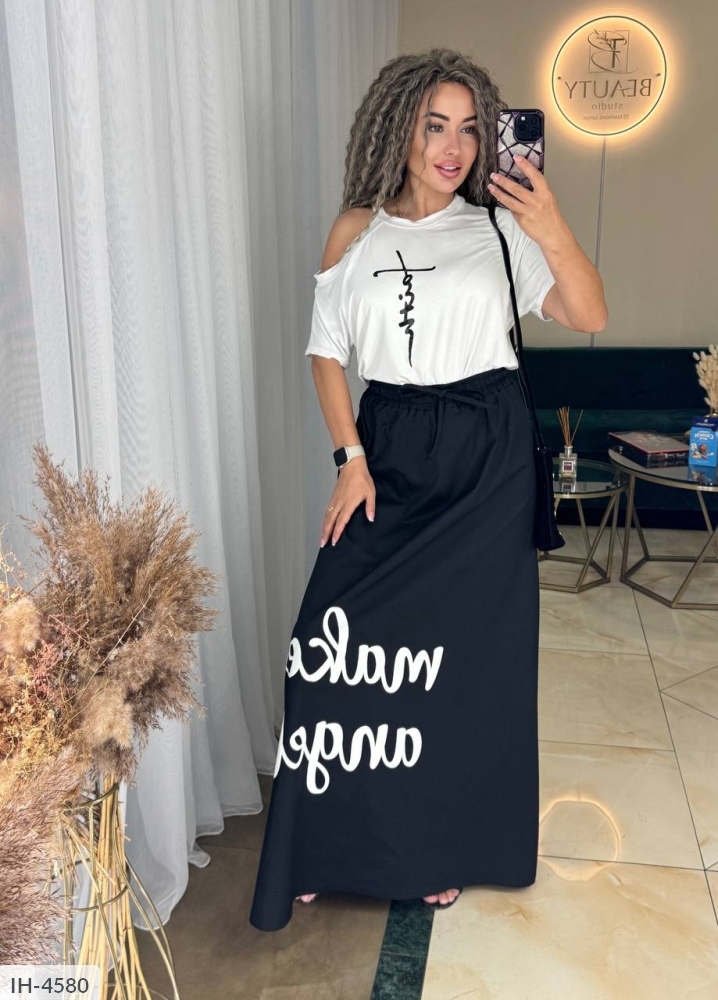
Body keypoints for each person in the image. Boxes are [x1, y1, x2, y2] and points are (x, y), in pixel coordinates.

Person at [249, 47, 607, 932]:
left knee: (466, 669)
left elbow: (590, 313)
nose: (453, 148)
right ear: (397, 130)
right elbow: (325, 350)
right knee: (328, 645)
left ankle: (444, 845)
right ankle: (327, 839)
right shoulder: (356, 230)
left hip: (487, 455)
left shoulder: (501, 229)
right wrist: (350, 457)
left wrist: (550, 222)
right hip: (391, 446)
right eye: (434, 126)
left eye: (470, 129)